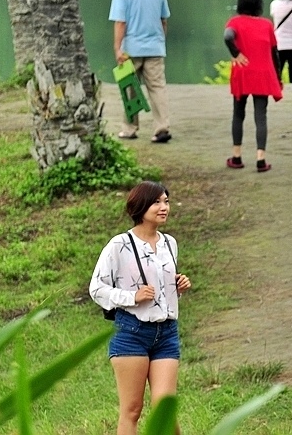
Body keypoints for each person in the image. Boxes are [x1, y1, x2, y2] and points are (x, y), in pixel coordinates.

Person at [89, 181, 192, 435]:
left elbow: (161, 284)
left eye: (166, 201)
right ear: (140, 206)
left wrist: (178, 285)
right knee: (132, 410)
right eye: (157, 202)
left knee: (164, 410)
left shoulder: (170, 243)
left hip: (167, 334)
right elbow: (96, 288)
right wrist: (131, 297)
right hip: (131, 334)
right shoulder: (119, 245)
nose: (164, 207)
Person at [109, 0, 173, 143]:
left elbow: (121, 23)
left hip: (131, 50)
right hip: (154, 47)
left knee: (130, 89)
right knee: (157, 88)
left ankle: (129, 129)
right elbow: (163, 20)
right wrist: (161, 41)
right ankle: (162, 127)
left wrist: (117, 48)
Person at [224, 0, 283, 172]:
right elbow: (275, 54)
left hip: (242, 71)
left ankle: (236, 156)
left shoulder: (234, 21)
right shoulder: (266, 24)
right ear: (259, 4)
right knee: (261, 117)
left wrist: (236, 53)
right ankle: (261, 160)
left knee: (238, 114)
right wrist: (278, 77)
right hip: (263, 74)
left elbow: (227, 37)